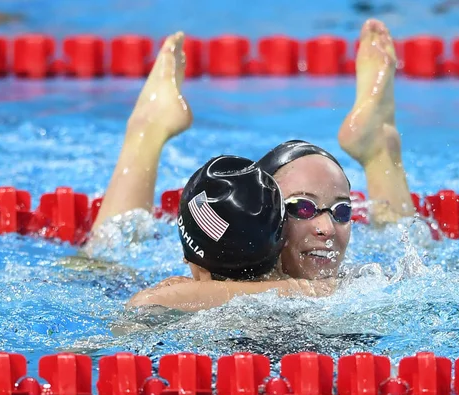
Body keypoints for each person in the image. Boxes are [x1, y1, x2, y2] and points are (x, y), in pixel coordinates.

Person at [90, 18, 415, 308]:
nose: (327, 228)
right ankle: (146, 133)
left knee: (402, 239)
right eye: (302, 207)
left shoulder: (361, 285)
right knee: (102, 263)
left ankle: (381, 152)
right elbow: (147, 303)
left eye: (342, 211)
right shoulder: (215, 265)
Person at [128, 154, 335, 311]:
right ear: (282, 240)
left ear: (190, 257)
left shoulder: (179, 302)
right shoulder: (327, 291)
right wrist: (291, 288)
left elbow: (142, 304)